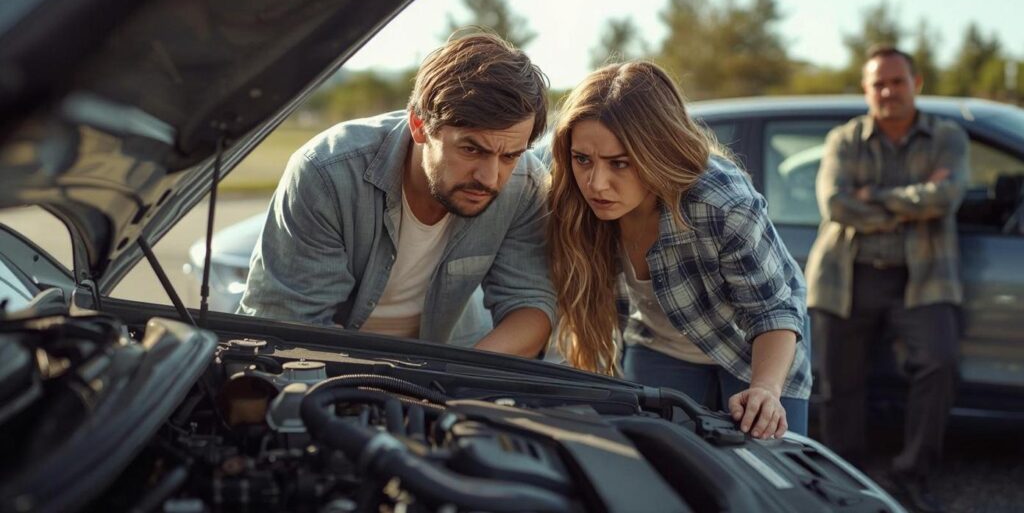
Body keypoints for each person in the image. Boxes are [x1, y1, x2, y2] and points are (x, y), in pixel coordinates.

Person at [238, 33, 555, 357]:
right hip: (327, 364)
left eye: (510, 156)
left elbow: (531, 306)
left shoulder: (524, 184)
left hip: (451, 359)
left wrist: (450, 376)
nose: (490, 178)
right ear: (419, 124)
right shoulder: (327, 173)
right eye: (471, 149)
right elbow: (293, 323)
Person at [547, 61, 811, 438]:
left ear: (658, 152)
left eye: (620, 163)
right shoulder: (570, 201)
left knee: (762, 462)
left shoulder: (722, 203)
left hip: (757, 347)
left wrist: (766, 390)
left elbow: (771, 310)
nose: (596, 184)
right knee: (651, 453)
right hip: (660, 345)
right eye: (583, 159)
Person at [806, 45, 967, 513]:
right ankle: (844, 478)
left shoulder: (947, 137)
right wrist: (915, 203)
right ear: (866, 89)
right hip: (847, 275)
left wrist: (873, 197)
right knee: (839, 383)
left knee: (939, 364)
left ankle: (911, 473)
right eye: (879, 83)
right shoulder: (844, 139)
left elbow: (947, 197)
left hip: (922, 276)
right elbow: (836, 205)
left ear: (916, 84)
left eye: (898, 82)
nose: (888, 91)